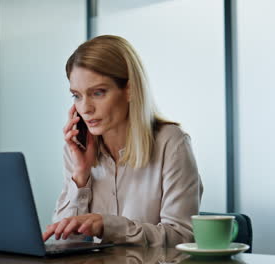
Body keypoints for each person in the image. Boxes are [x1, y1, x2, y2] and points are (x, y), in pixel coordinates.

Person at [42, 35, 203, 247]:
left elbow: (181, 237)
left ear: (130, 89)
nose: (85, 108)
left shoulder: (171, 143)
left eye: (98, 93)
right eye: (77, 96)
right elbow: (67, 240)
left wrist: (108, 225)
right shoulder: (78, 149)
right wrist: (80, 176)